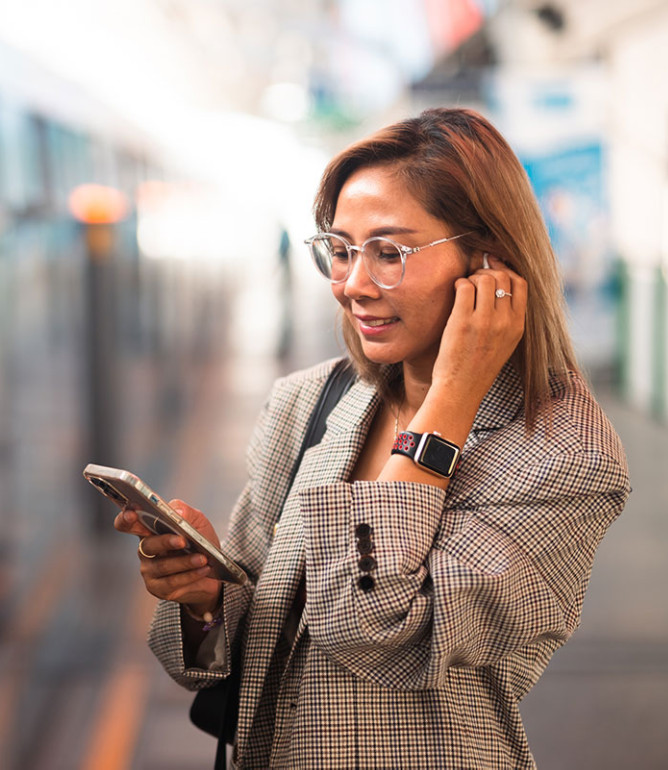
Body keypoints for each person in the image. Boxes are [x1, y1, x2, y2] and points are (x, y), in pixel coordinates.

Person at [116, 107, 630, 769]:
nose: (352, 285)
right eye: (341, 249)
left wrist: (445, 405)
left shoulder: (562, 454)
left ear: (488, 262)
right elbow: (241, 651)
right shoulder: (309, 403)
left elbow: (375, 628)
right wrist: (204, 598)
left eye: (390, 252)